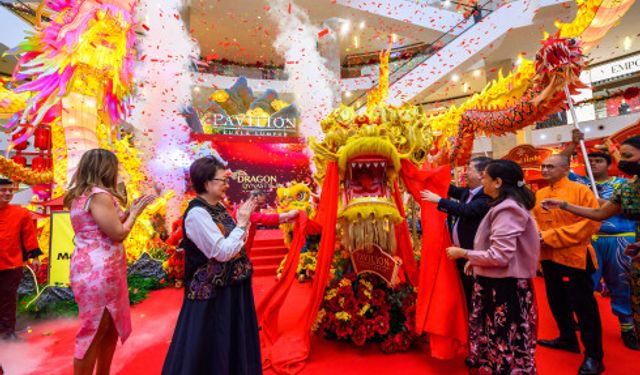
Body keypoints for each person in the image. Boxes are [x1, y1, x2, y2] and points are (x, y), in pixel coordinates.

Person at [162, 156, 261, 375]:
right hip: (211, 295)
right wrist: (242, 223)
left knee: (229, 345)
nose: (227, 184)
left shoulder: (218, 207)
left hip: (231, 288)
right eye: (222, 180)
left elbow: (235, 243)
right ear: (206, 183)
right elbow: (221, 252)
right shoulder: (197, 214)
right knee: (210, 349)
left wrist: (243, 224)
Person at [542, 135, 640, 355]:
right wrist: (574, 144)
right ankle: (579, 327)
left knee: (621, 284)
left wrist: (609, 205)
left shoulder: (622, 184)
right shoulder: (582, 184)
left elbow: (615, 209)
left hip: (621, 241)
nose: (594, 164)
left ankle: (627, 328)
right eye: (591, 161)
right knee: (585, 288)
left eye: (599, 161)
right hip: (590, 241)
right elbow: (560, 162)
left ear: (609, 164)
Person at [64, 149, 155, 375]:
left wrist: (127, 212)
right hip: (99, 271)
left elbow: (103, 226)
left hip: (97, 268)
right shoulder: (99, 196)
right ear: (105, 168)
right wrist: (134, 214)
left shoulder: (82, 194)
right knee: (95, 328)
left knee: (109, 326)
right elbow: (117, 233)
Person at [445, 160, 539, 374]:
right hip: (495, 281)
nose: (482, 180)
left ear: (497, 182)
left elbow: (501, 255)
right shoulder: (503, 205)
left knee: (506, 337)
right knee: (495, 333)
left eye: (485, 176)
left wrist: (464, 253)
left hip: (504, 287)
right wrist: (475, 260)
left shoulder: (507, 209)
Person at [532, 154, 604, 375]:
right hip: (549, 258)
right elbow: (533, 221)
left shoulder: (581, 191)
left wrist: (550, 236)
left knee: (584, 308)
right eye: (543, 166)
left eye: (550, 167)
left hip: (575, 257)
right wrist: (538, 236)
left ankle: (594, 356)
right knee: (556, 301)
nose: (544, 170)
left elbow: (592, 222)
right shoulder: (540, 194)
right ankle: (567, 338)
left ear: (565, 169)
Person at [421, 156, 492, 310]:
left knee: (476, 294)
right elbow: (450, 189)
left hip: (473, 255)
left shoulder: (487, 196)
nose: (465, 173)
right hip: (460, 254)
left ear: (482, 174)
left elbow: (466, 210)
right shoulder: (468, 192)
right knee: (465, 292)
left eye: (470, 169)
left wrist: (439, 200)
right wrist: (429, 175)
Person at [0, 177, 42, 340]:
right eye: (3, 190)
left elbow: (29, 236)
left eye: (10, 190)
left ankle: (8, 332)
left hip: (12, 264)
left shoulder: (20, 212)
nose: (8, 193)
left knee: (8, 299)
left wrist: (35, 257)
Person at [241, 190, 298, 256]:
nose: (260, 207)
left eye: (262, 204)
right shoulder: (244, 211)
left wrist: (284, 220)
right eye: (259, 204)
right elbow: (264, 218)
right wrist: (288, 214)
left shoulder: (247, 209)